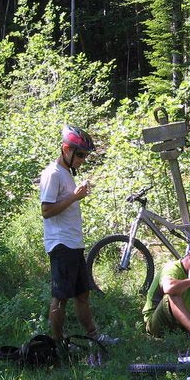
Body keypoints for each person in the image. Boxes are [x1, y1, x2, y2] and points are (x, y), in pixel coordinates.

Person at [40, 125, 115, 346]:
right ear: (66, 149)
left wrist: (75, 195)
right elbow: (46, 211)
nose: (83, 160)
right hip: (60, 244)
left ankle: (95, 337)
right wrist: (74, 197)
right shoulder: (52, 174)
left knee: (83, 294)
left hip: (74, 243)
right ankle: (57, 344)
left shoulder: (65, 173)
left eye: (85, 155)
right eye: (80, 154)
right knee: (60, 297)